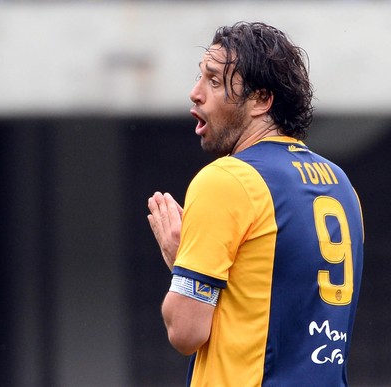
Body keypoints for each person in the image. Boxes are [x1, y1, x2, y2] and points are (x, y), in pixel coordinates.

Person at [147, 21, 364, 386]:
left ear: (262, 100)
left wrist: (181, 261)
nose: (195, 93)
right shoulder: (342, 185)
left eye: (214, 81)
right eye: (200, 78)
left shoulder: (226, 179)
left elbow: (185, 331)